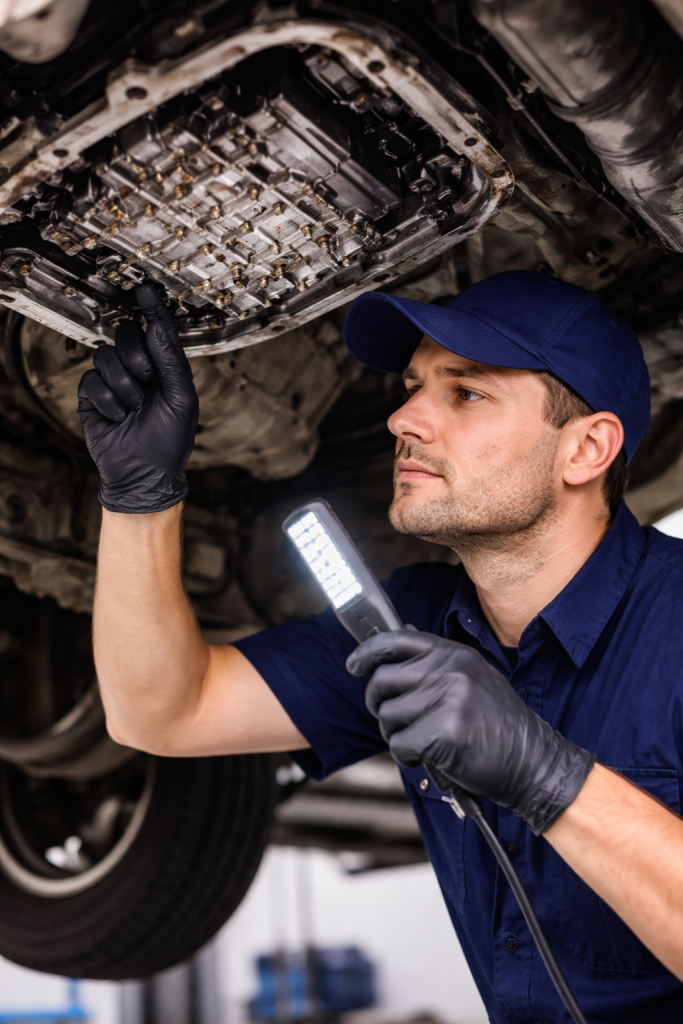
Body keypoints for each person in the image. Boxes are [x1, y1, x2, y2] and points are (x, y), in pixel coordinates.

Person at [78, 271, 683, 1023]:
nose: (402, 418)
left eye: (464, 393)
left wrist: (546, 775)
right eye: (411, 386)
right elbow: (161, 712)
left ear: (586, 448)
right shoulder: (411, 622)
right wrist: (140, 498)